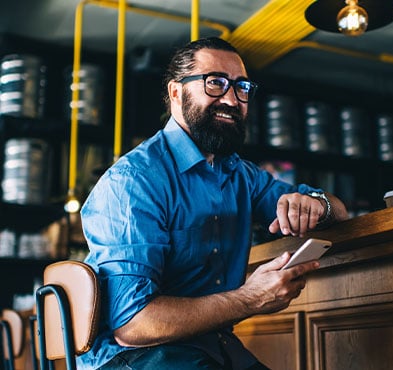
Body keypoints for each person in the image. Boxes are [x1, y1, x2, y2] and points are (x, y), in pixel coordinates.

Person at [78, 37, 349, 370]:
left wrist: (314, 204)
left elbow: (338, 210)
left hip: (208, 345)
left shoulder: (240, 174)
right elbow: (134, 325)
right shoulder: (133, 181)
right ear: (176, 92)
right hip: (132, 357)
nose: (232, 99)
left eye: (241, 87)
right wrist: (250, 298)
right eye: (216, 83)